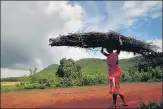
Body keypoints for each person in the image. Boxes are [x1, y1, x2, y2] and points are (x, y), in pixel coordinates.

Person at [101, 36, 128, 108]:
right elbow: (102, 52)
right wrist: (102, 46)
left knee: (114, 89)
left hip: (116, 73)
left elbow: (121, 46)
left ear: (111, 49)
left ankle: (114, 104)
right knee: (116, 88)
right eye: (107, 49)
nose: (107, 49)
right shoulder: (108, 55)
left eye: (108, 48)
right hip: (112, 74)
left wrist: (119, 40)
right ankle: (124, 103)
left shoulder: (116, 54)